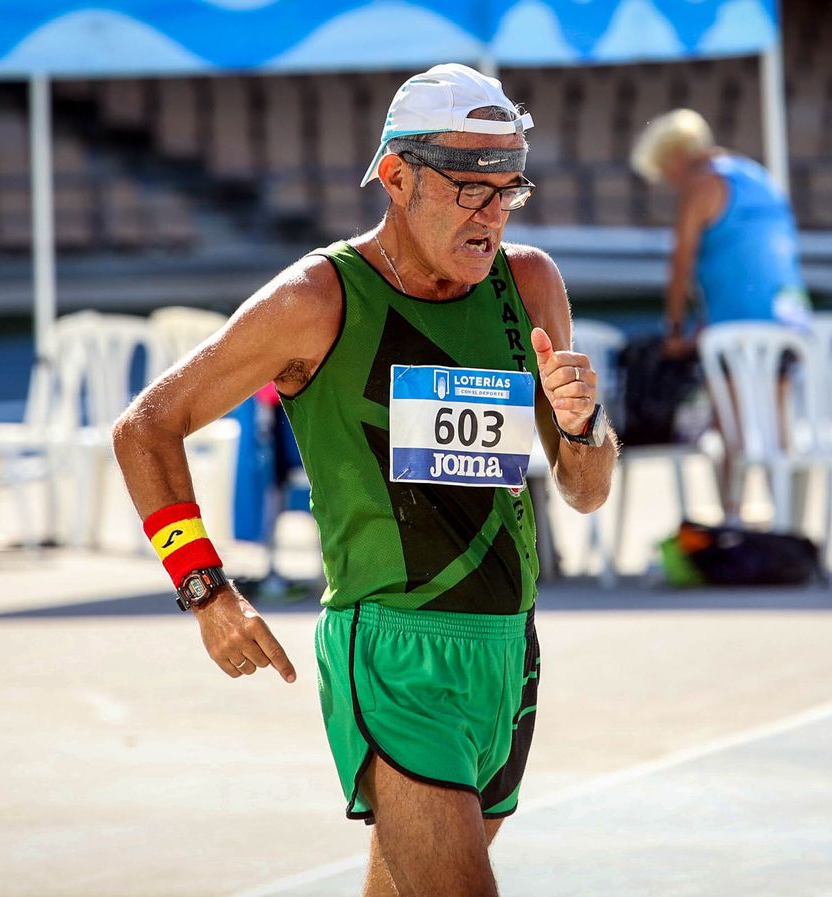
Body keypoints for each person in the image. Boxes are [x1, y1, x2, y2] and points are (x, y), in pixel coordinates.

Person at [111, 63, 617, 897]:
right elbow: (146, 425)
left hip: (508, 650)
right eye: (470, 187)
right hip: (393, 652)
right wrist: (206, 590)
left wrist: (583, 424)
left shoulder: (529, 282)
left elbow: (585, 489)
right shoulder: (317, 297)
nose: (492, 212)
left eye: (509, 189)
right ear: (396, 176)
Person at [630, 108, 811, 525]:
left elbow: (680, 265)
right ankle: (787, 522)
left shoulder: (701, 184)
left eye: (665, 172)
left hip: (738, 327)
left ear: (676, 157)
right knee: (778, 427)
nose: (670, 183)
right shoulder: (758, 176)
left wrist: (674, 331)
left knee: (731, 430)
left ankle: (732, 520)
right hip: (790, 320)